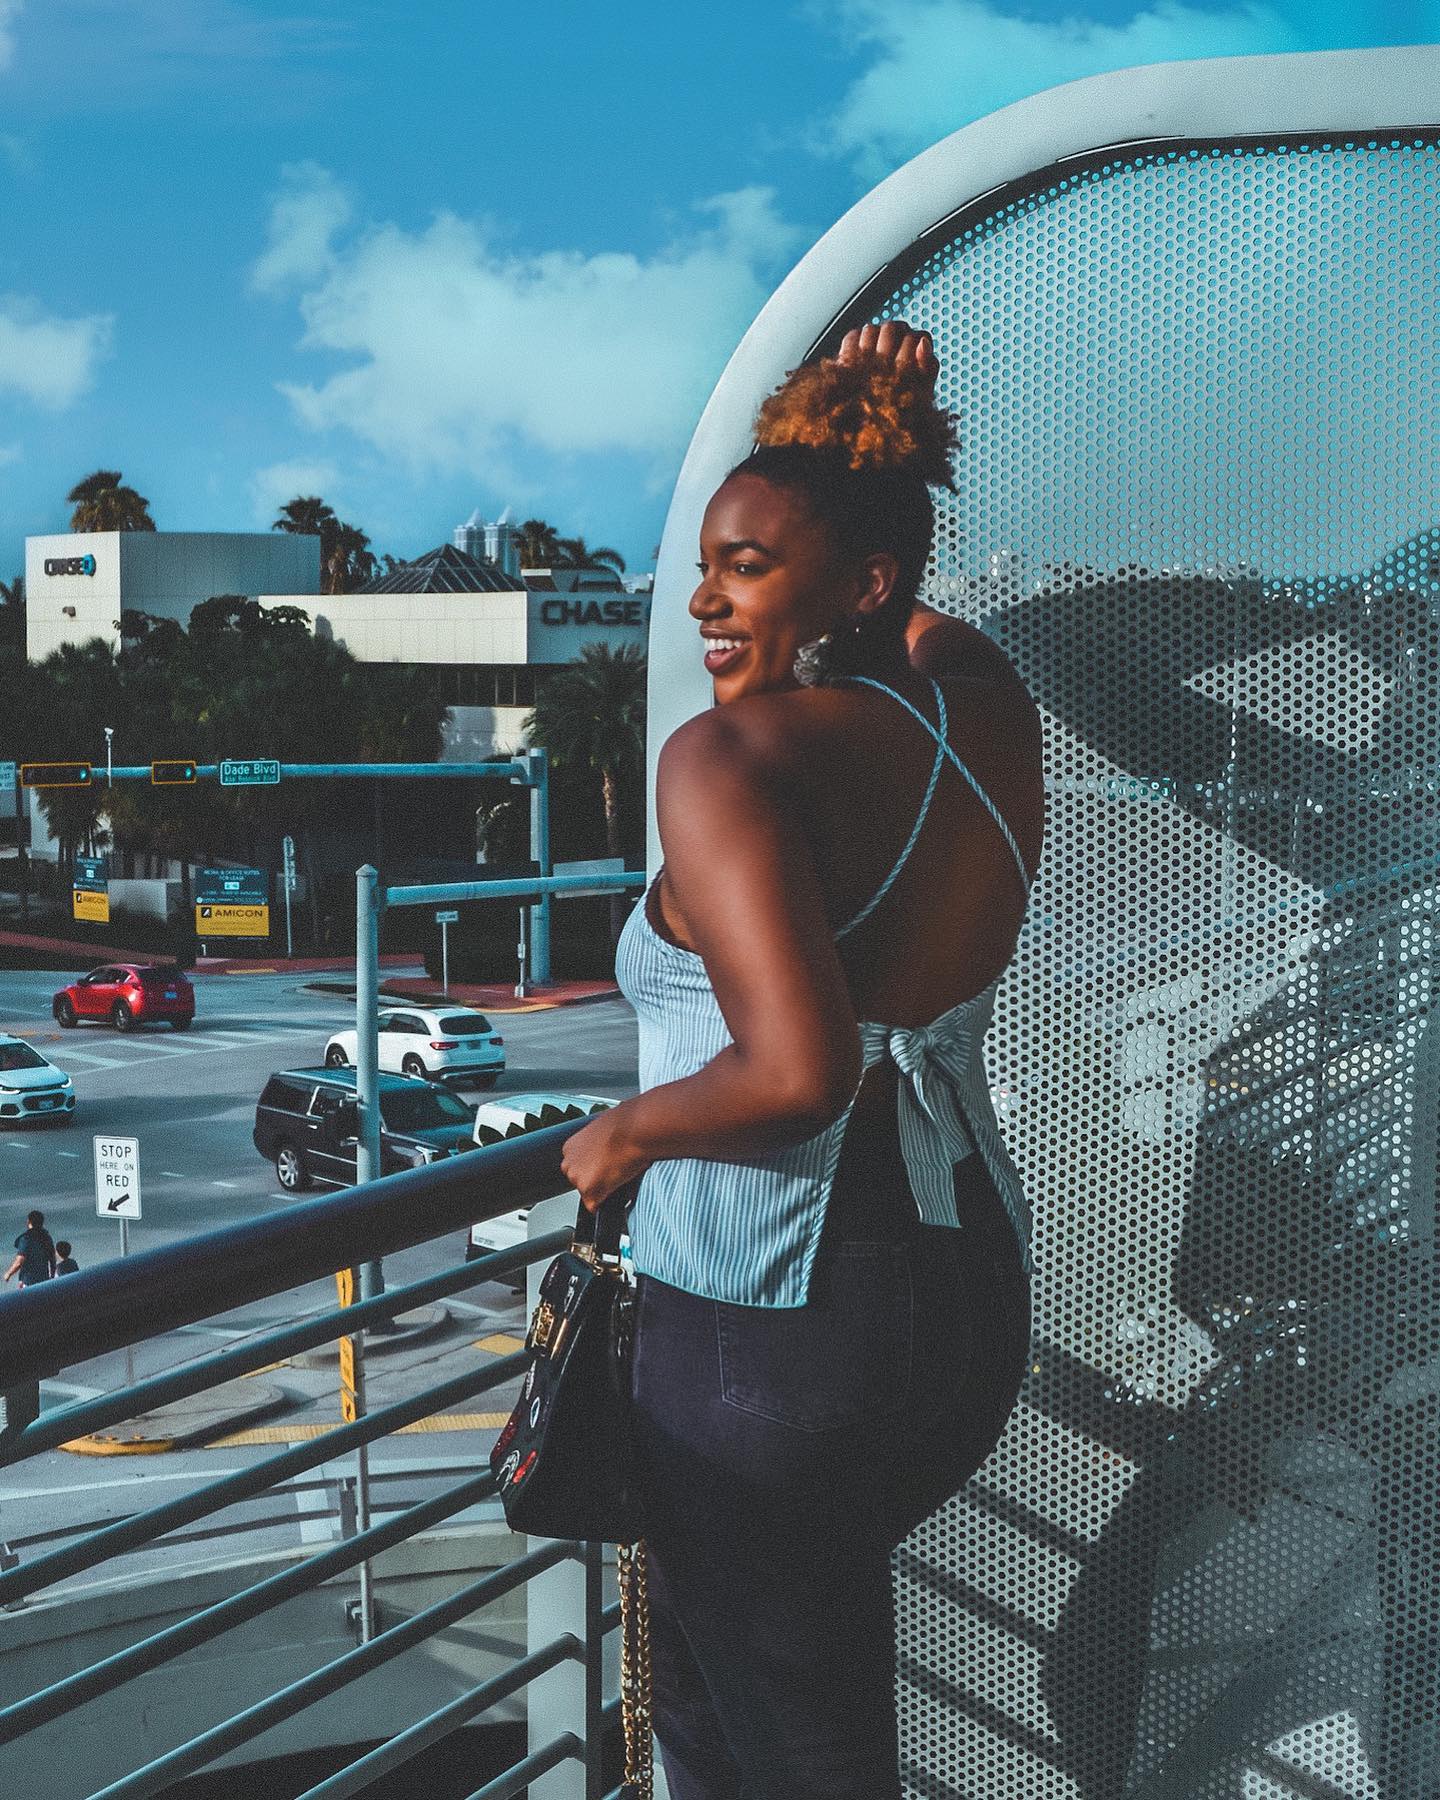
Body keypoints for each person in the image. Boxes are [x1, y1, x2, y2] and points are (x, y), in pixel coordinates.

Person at [560, 320, 1043, 1800]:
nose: (704, 597)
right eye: (707, 560)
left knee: (807, 1761)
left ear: (863, 582)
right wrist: (845, 433)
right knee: (724, 1716)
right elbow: (920, 618)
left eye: (748, 566)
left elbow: (798, 1072)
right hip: (961, 1288)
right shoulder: (978, 705)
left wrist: (624, 1135)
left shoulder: (731, 764)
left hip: (772, 1322)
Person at [4, 1210, 57, 1288]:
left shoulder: (26, 1238)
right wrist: (52, 1276)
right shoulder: (47, 1237)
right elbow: (52, 1259)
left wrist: (8, 1274)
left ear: (28, 1222)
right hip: (44, 1280)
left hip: (28, 1281)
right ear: (42, 1223)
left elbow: (20, 1261)